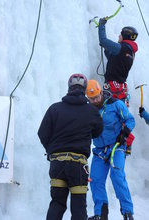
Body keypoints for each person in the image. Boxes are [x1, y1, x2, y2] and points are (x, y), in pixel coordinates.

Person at [38, 74, 103, 220]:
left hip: (57, 164)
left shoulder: (54, 109)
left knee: (57, 203)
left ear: (69, 88)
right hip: (78, 166)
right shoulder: (91, 111)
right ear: (85, 90)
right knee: (78, 206)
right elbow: (98, 131)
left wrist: (51, 150)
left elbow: (42, 133)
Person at [86, 80, 135, 220]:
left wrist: (124, 133)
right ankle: (101, 214)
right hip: (100, 150)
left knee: (117, 175)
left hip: (116, 147)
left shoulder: (115, 104)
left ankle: (127, 212)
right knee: (95, 179)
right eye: (91, 99)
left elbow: (130, 120)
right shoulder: (88, 110)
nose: (95, 100)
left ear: (101, 92)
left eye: (96, 97)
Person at [98, 17, 138, 106]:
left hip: (111, 88)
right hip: (121, 89)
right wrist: (106, 48)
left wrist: (101, 25)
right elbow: (114, 59)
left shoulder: (120, 48)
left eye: (121, 34)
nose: (119, 36)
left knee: (109, 111)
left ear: (125, 36)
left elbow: (103, 40)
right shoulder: (131, 52)